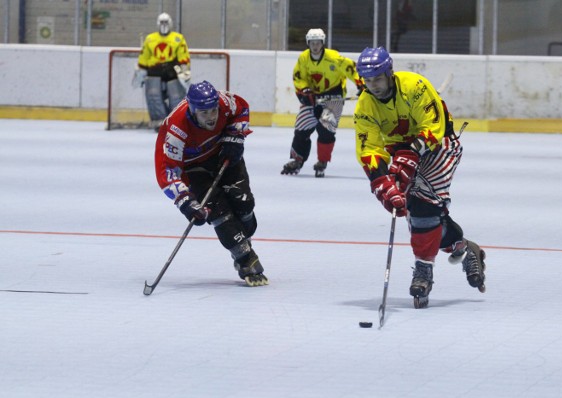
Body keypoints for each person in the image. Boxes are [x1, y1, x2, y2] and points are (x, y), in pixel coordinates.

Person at [353, 46, 486, 309]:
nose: (373, 86)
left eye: (377, 79)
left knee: (422, 206)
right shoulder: (365, 105)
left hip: (440, 146)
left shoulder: (415, 86)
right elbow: (369, 149)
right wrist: (381, 183)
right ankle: (463, 247)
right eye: (367, 81)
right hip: (401, 152)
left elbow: (433, 128)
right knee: (418, 215)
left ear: (389, 73)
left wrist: (411, 154)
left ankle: (423, 272)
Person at [153, 80, 268, 287]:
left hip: (223, 154)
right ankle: (245, 259)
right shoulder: (176, 129)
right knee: (219, 213)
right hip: (193, 168)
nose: (212, 117)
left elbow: (241, 108)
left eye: (213, 111)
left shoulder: (223, 101)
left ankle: (242, 237)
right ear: (193, 110)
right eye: (204, 113)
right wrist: (186, 201)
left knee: (244, 204)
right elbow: (167, 170)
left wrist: (235, 135)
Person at [281, 28, 365, 177]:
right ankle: (297, 159)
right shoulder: (304, 58)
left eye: (318, 42)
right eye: (312, 43)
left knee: (326, 130)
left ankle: (322, 161)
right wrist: (304, 91)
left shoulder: (334, 57)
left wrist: (361, 83)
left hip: (333, 98)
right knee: (301, 129)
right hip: (313, 98)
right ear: (308, 43)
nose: (315, 46)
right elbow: (299, 77)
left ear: (322, 43)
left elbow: (352, 69)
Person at [132, 13, 191, 131]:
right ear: (158, 24)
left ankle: (177, 121)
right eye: (162, 23)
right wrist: (140, 71)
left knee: (176, 97)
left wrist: (184, 70)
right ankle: (159, 122)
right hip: (154, 71)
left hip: (172, 71)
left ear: (170, 23)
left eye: (166, 22)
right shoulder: (150, 38)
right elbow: (144, 57)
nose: (164, 25)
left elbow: (183, 55)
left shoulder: (178, 38)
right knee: (153, 97)